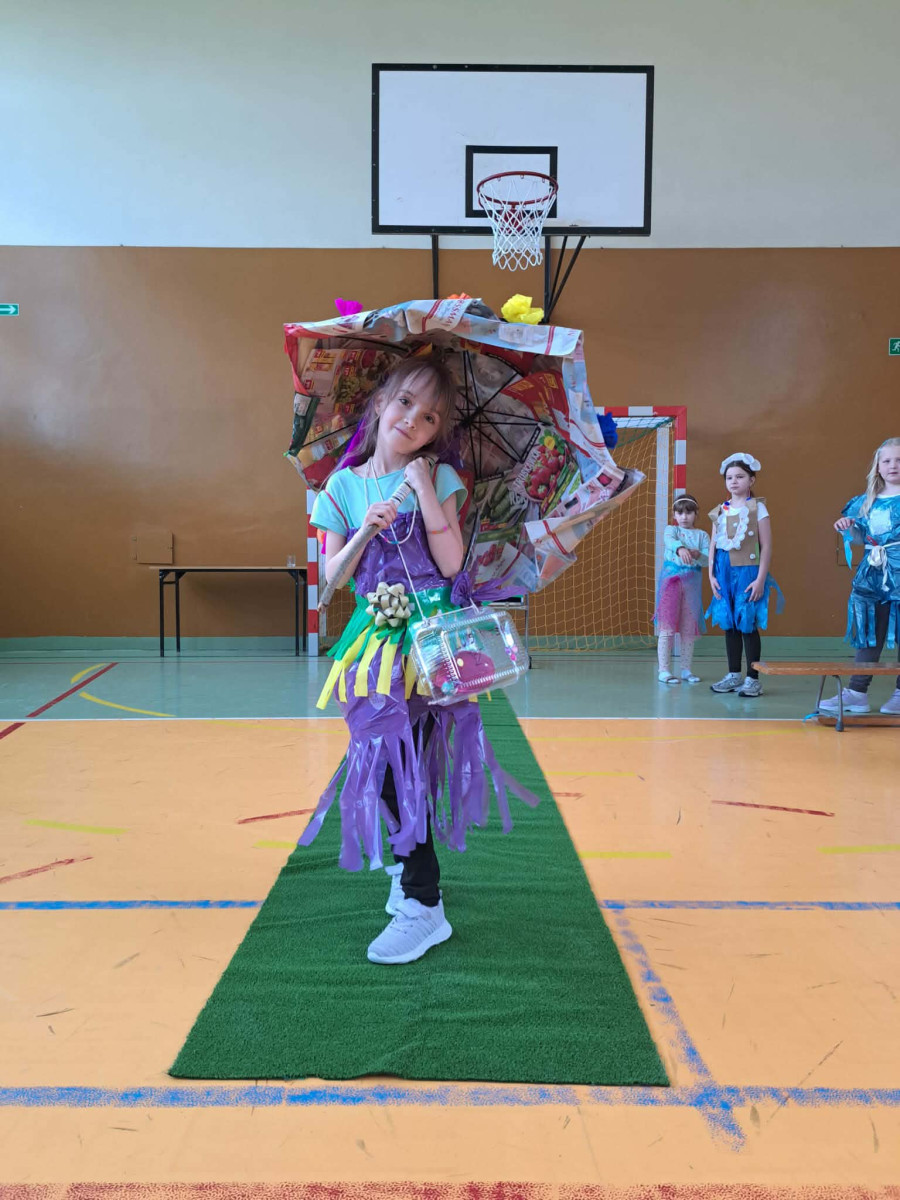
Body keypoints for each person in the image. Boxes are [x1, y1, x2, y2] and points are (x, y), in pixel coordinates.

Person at [304, 354, 538, 965]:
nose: (414, 419)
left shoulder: (440, 477)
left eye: (430, 416)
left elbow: (453, 562)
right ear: (381, 402)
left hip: (432, 645)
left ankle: (423, 900)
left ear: (438, 430)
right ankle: (412, 876)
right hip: (374, 645)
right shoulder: (342, 487)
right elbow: (331, 578)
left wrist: (425, 489)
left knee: (405, 763)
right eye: (406, 402)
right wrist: (364, 529)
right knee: (382, 759)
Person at [820, 437, 900, 716]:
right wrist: (848, 527)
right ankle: (857, 692)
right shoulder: (865, 502)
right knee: (868, 630)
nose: (893, 465)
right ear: (877, 466)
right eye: (887, 460)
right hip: (872, 573)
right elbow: (858, 537)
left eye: (899, 460)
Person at [706, 453, 783, 697]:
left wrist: (760, 579)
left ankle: (752, 678)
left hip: (748, 572)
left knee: (747, 623)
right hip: (724, 572)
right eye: (729, 477)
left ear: (751, 480)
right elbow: (713, 545)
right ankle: (733, 674)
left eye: (739, 476)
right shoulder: (720, 511)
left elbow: (766, 546)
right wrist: (711, 575)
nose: (734, 481)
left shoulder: (757, 508)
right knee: (729, 623)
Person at [655, 494, 710, 684]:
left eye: (689, 512)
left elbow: (707, 559)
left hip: (692, 584)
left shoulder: (702, 535)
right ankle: (664, 670)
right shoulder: (672, 530)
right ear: (674, 515)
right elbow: (670, 541)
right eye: (680, 513)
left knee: (688, 628)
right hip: (671, 582)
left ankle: (686, 669)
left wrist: (698, 554)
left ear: (696, 514)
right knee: (667, 627)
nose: (684, 517)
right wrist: (681, 549)